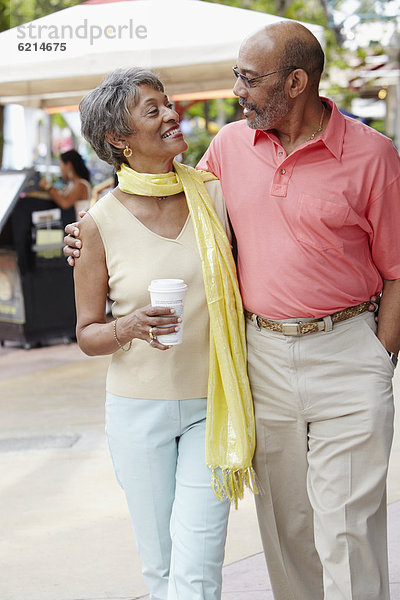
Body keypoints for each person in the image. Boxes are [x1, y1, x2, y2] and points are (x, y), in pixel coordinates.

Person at [64, 22, 400, 600]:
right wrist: (87, 236)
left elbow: (397, 268)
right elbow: (157, 199)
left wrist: (380, 355)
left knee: (346, 522)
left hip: (343, 349)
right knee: (284, 525)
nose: (238, 90)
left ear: (295, 82)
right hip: (259, 357)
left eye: (249, 77)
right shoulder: (228, 150)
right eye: (237, 76)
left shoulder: (372, 155)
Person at [70, 67, 256, 600]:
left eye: (168, 104)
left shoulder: (215, 196)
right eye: (152, 110)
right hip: (137, 412)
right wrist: (126, 326)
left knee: (197, 564)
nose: (172, 114)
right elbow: (87, 334)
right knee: (162, 569)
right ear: (118, 140)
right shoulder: (95, 225)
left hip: (212, 404)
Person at [40, 149, 91, 219]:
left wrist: (48, 187)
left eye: (61, 166)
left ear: (69, 165)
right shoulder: (71, 184)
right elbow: (60, 197)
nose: (60, 170)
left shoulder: (81, 184)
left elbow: (65, 204)